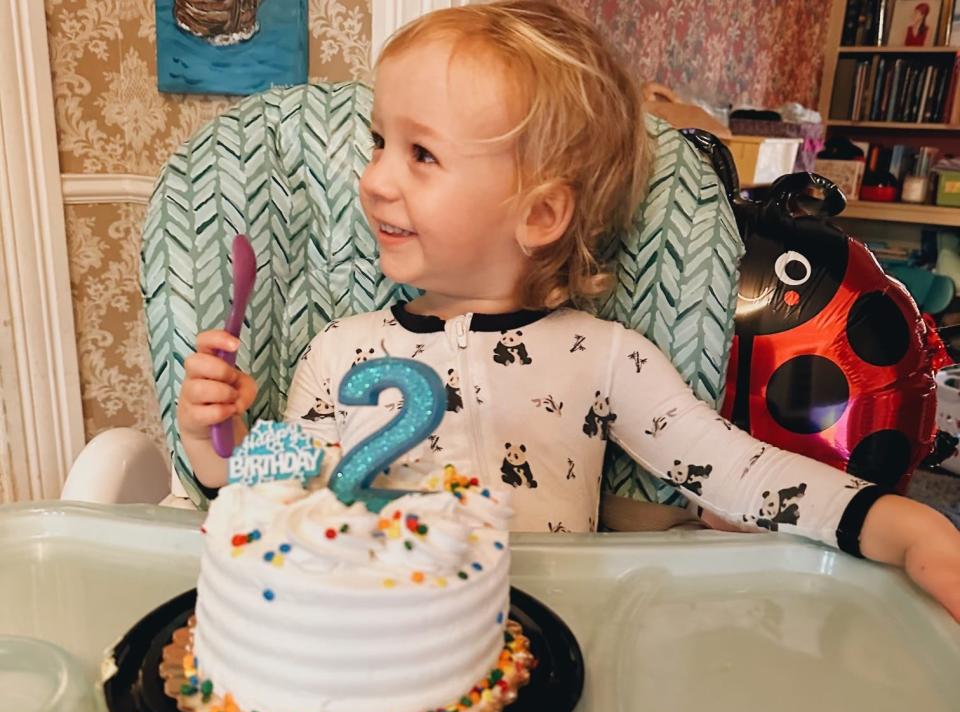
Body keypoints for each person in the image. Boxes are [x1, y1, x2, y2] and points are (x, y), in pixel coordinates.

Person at [176, 1, 960, 620]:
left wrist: (908, 528)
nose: (375, 178)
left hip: (558, 640)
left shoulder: (605, 357)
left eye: (421, 154)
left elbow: (743, 474)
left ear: (541, 215)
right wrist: (219, 439)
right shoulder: (339, 351)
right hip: (377, 643)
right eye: (379, 142)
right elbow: (288, 496)